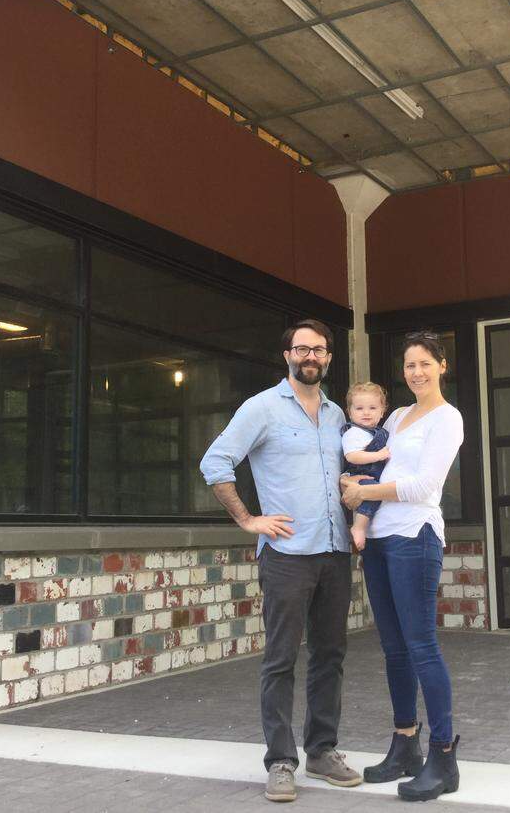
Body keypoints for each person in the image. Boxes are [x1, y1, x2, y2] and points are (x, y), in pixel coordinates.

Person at [199, 319, 361, 803]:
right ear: (287, 355)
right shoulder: (262, 408)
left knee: (330, 656)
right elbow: (216, 461)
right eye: (301, 349)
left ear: (329, 358)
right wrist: (249, 519)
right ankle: (280, 761)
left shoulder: (338, 416)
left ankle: (322, 750)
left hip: (334, 553)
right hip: (288, 556)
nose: (310, 357)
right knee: (281, 659)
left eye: (319, 350)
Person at [341, 331, 464, 802]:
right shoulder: (394, 415)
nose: (416, 372)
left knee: (421, 647)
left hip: (415, 537)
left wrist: (362, 493)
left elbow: (422, 485)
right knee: (393, 649)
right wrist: (351, 482)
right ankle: (405, 744)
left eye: (424, 364)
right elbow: (374, 469)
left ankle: (443, 755)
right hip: (379, 540)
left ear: (442, 366)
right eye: (410, 365)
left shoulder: (447, 418)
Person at [341, 381, 391, 552]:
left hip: (376, 478)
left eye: (372, 408)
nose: (366, 413)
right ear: (349, 412)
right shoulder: (353, 433)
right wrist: (379, 455)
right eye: (359, 408)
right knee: (373, 491)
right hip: (361, 476)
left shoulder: (381, 432)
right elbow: (352, 456)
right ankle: (359, 527)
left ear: (383, 410)